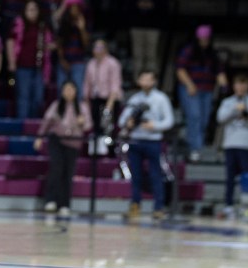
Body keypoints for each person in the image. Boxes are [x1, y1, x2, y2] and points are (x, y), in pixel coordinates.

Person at [118, 70, 174, 220]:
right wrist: (127, 122)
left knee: (156, 174)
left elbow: (169, 121)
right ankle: (135, 205)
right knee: (135, 175)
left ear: (154, 81)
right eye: (143, 79)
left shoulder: (161, 98)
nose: (145, 82)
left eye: (149, 79)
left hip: (153, 141)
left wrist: (154, 125)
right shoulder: (135, 99)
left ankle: (158, 207)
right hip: (136, 140)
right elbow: (122, 120)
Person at [34, 81, 92, 217]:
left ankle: (64, 203)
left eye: (72, 89)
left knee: (68, 172)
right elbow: (47, 121)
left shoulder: (82, 107)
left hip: (73, 143)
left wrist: (82, 123)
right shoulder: (56, 105)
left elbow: (88, 126)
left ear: (76, 91)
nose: (69, 92)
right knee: (56, 168)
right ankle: (50, 200)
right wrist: (39, 137)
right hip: (57, 140)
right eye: (66, 89)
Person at [176, 25, 228, 160]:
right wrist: (189, 84)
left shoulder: (212, 54)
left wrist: (224, 84)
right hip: (191, 89)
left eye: (206, 39)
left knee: (204, 119)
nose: (204, 41)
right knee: (195, 116)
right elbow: (180, 69)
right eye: (202, 39)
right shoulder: (189, 51)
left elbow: (219, 71)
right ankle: (195, 148)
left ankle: (199, 145)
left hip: (207, 90)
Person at [215, 73, 248, 218]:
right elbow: (220, 118)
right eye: (238, 84)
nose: (241, 87)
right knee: (230, 177)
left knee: (247, 177)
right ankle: (229, 205)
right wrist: (235, 110)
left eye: (244, 84)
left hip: (247, 144)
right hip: (231, 143)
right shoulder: (227, 102)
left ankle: (247, 205)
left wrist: (247, 115)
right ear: (234, 86)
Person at [6, 0, 56, 119]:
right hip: (23, 65)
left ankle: (33, 123)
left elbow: (52, 44)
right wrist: (11, 61)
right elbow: (10, 42)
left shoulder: (43, 26)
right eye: (29, 9)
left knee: (38, 97)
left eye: (35, 9)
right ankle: (22, 124)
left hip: (39, 66)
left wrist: (47, 47)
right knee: (23, 96)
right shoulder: (18, 24)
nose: (32, 12)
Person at [126, 0, 168, 77]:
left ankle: (152, 80)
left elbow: (163, 8)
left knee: (151, 54)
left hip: (153, 26)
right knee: (137, 54)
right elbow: (129, 6)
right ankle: (138, 80)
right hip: (137, 25)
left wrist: (152, 5)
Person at [83, 39, 123, 133]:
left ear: (106, 49)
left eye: (101, 47)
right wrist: (86, 99)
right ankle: (97, 146)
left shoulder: (113, 63)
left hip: (110, 100)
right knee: (96, 127)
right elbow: (87, 82)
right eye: (96, 47)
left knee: (109, 129)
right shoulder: (91, 63)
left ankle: (109, 147)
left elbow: (115, 83)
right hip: (96, 99)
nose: (98, 50)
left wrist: (109, 105)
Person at [55, 0, 89, 95]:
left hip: (78, 61)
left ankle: (78, 110)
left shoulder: (84, 24)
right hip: (64, 62)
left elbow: (86, 44)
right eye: (72, 8)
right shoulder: (63, 24)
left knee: (78, 90)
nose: (74, 10)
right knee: (61, 90)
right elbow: (59, 44)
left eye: (76, 8)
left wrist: (82, 29)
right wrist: (62, 60)